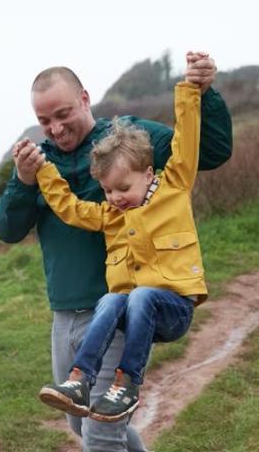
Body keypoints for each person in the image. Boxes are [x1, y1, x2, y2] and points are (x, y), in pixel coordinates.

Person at [0, 52, 231, 452]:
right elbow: (8, 229)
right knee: (81, 422)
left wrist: (200, 91)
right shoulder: (41, 165)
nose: (55, 128)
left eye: (62, 114)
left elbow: (204, 151)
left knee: (101, 437)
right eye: (44, 120)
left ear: (84, 99)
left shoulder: (129, 137)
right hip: (67, 315)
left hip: (122, 305)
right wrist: (24, 179)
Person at [34, 76, 206, 424]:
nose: (115, 199)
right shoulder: (112, 215)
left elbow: (186, 143)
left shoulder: (173, 188)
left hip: (173, 309)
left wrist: (191, 90)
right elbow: (71, 208)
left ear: (147, 173)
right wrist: (43, 172)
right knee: (111, 299)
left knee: (140, 295)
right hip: (134, 313)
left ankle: (127, 384)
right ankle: (79, 381)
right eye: (108, 191)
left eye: (123, 188)